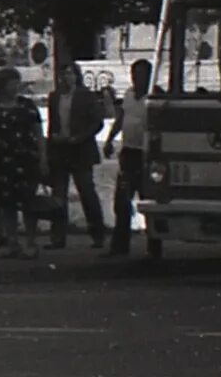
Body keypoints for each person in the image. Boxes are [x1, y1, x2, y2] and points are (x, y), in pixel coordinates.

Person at [42, 58, 110, 251]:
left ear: (77, 76)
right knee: (58, 195)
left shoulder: (86, 96)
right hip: (60, 149)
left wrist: (79, 137)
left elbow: (97, 122)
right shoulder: (55, 97)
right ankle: (57, 237)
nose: (66, 78)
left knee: (87, 192)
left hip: (80, 150)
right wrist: (52, 141)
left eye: (70, 73)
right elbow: (53, 122)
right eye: (63, 74)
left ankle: (97, 234)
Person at [0, 67, 44, 257]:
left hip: (26, 160)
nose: (15, 86)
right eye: (11, 82)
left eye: (17, 82)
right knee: (6, 203)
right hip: (1, 161)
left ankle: (31, 241)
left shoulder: (27, 106)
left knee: (28, 202)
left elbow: (38, 133)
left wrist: (43, 158)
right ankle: (13, 241)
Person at [105, 57, 157, 259]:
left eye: (142, 76)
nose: (137, 80)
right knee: (122, 200)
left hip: (147, 154)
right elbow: (121, 119)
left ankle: (154, 246)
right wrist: (110, 139)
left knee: (149, 200)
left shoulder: (155, 96)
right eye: (134, 75)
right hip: (129, 152)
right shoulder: (128, 95)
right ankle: (120, 245)